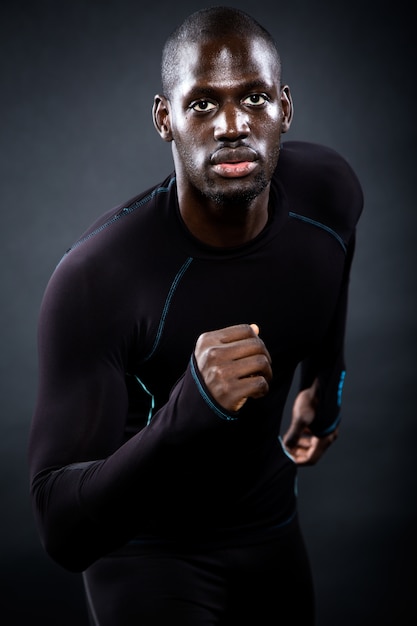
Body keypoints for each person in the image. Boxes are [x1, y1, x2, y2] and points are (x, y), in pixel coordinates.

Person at [28, 6, 363, 625]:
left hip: (270, 531)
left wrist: (327, 383)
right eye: (203, 104)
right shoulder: (97, 279)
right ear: (165, 119)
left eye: (255, 98)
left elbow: (331, 279)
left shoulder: (329, 193)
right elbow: (60, 528)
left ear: (285, 108)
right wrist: (191, 411)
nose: (233, 125)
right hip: (146, 551)